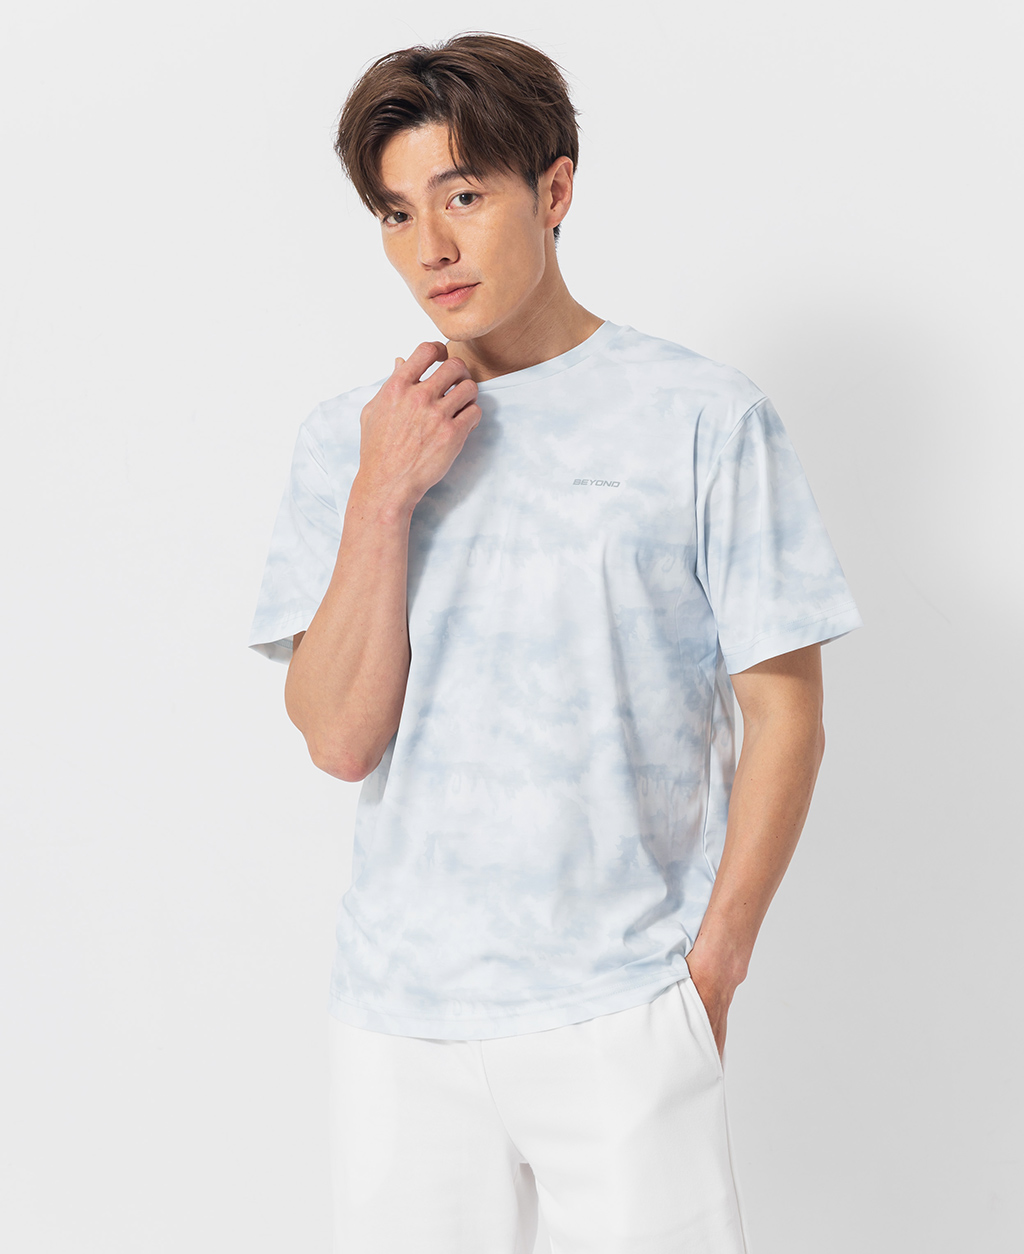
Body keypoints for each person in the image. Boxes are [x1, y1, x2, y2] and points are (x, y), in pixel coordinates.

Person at [247, 31, 862, 1254]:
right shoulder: (352, 439)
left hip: (623, 1007)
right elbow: (338, 739)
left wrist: (712, 969)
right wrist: (383, 494)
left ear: (555, 189)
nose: (430, 247)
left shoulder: (700, 417)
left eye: (463, 195)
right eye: (396, 213)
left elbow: (785, 710)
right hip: (400, 1017)